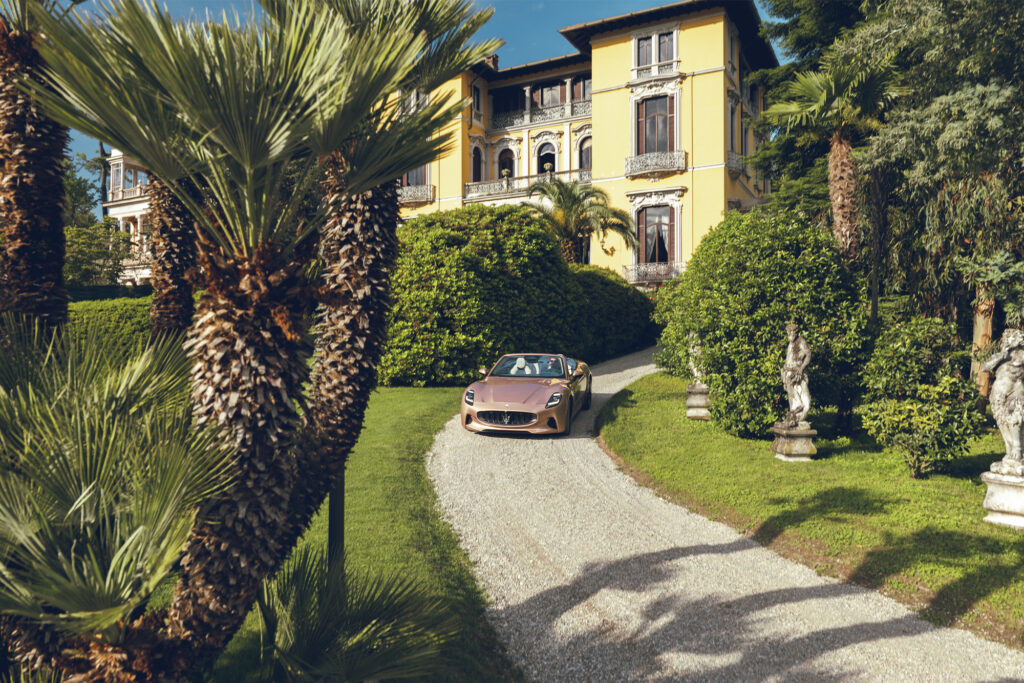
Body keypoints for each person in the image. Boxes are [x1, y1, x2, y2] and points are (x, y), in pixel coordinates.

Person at [781, 323, 811, 428]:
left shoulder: (801, 342)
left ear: (796, 332)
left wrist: (801, 368)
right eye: (788, 332)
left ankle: (799, 410)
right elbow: (788, 359)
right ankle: (794, 414)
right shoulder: (790, 344)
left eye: (791, 332)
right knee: (791, 396)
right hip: (789, 373)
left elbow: (808, 355)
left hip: (797, 374)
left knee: (805, 401)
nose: (789, 334)